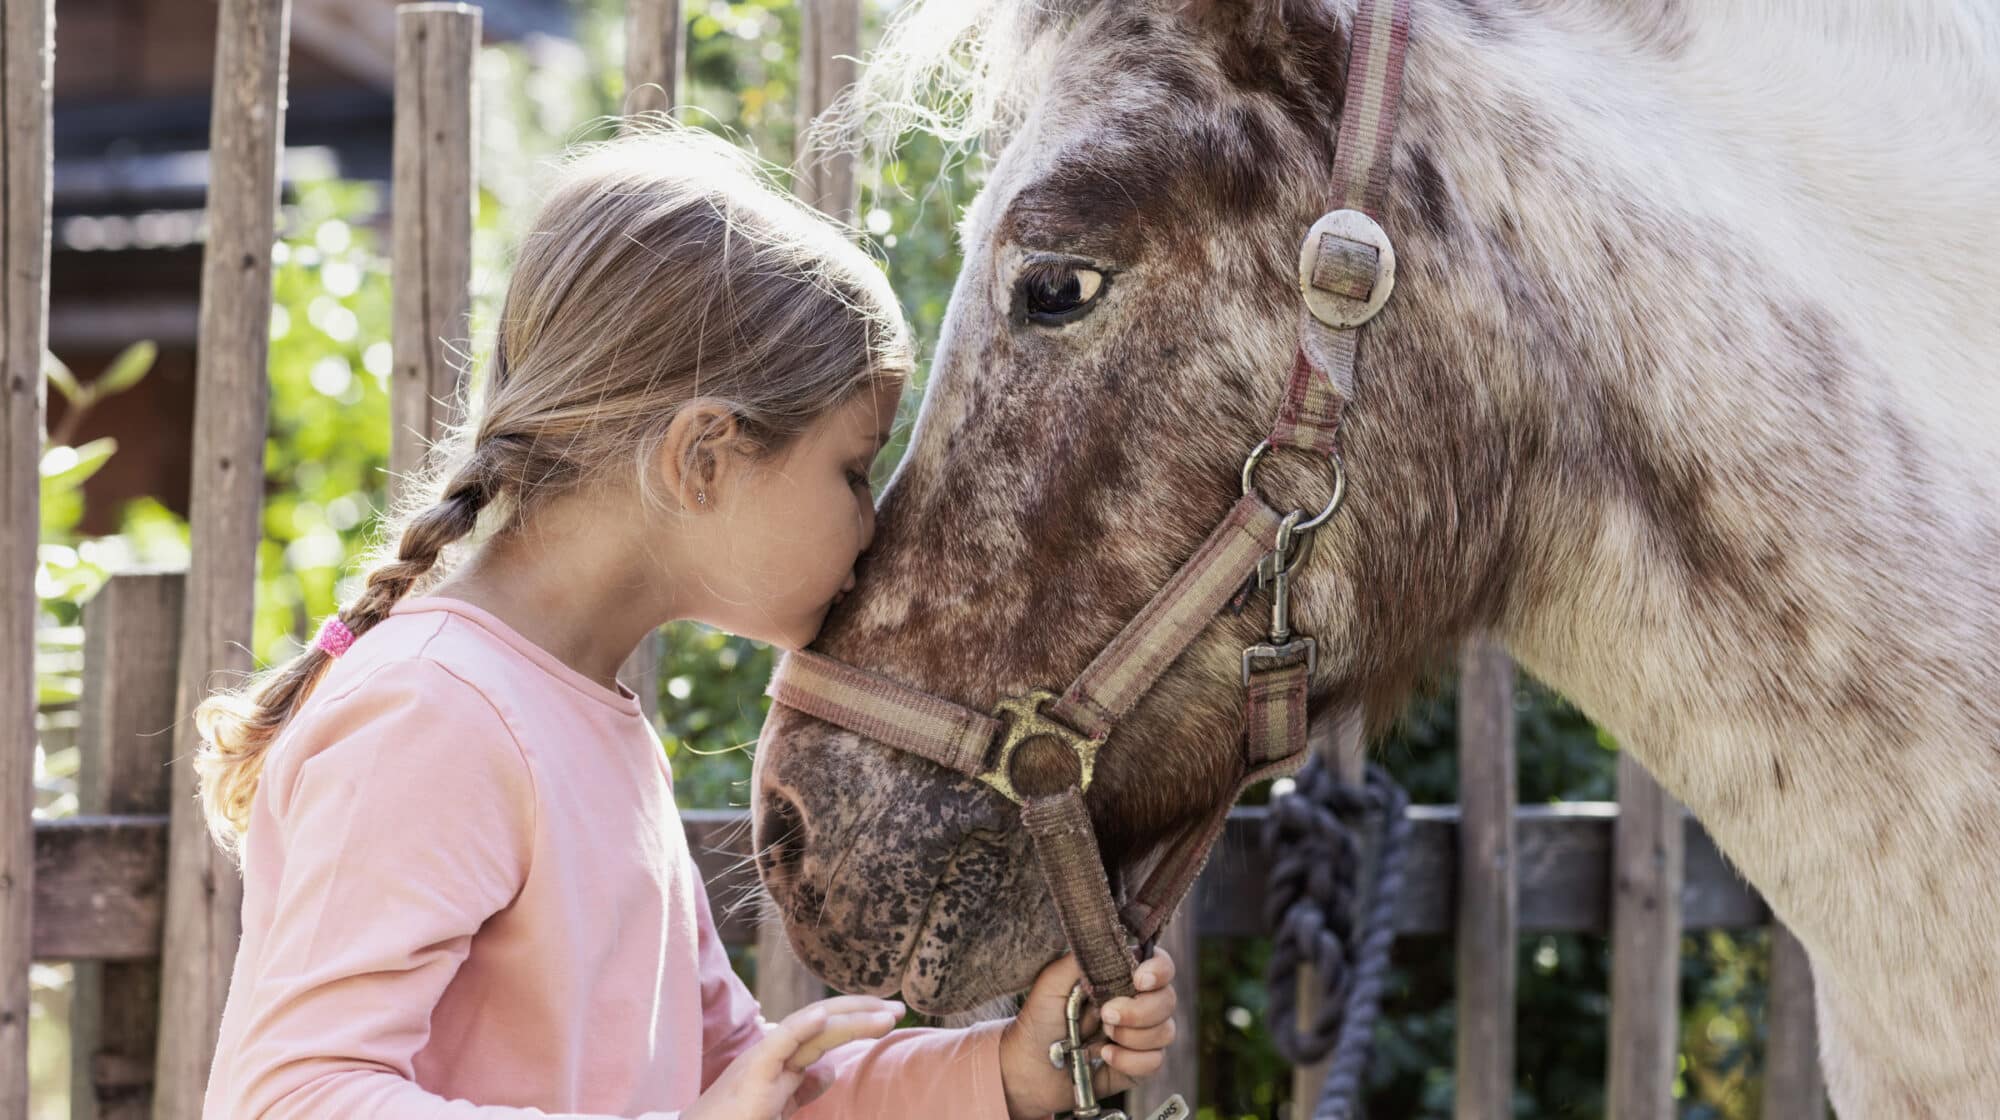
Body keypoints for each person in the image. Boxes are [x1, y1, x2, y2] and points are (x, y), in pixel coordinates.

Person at [191, 126, 1178, 1119]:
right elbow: (290, 1098)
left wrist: (1005, 1068)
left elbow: (739, 1087)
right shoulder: (434, 713)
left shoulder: (585, 723)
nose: (870, 526)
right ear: (702, 455)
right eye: (852, 468)